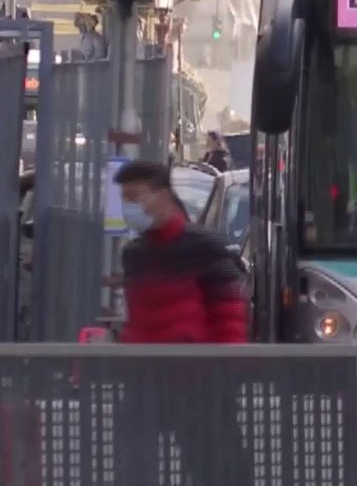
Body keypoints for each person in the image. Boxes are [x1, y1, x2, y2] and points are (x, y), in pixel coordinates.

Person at [111, 160, 250, 483]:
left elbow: (228, 313)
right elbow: (138, 318)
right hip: (146, 381)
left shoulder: (202, 246)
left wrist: (226, 372)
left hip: (199, 380)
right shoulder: (135, 255)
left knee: (217, 466)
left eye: (135, 197)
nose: (129, 207)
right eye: (124, 198)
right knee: (131, 465)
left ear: (161, 195)